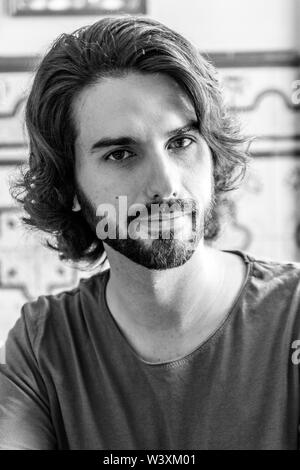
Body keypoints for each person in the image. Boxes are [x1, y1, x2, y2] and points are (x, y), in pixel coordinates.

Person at [0, 15, 299, 451]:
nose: (167, 184)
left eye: (181, 142)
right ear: (70, 188)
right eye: (121, 154)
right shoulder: (44, 345)